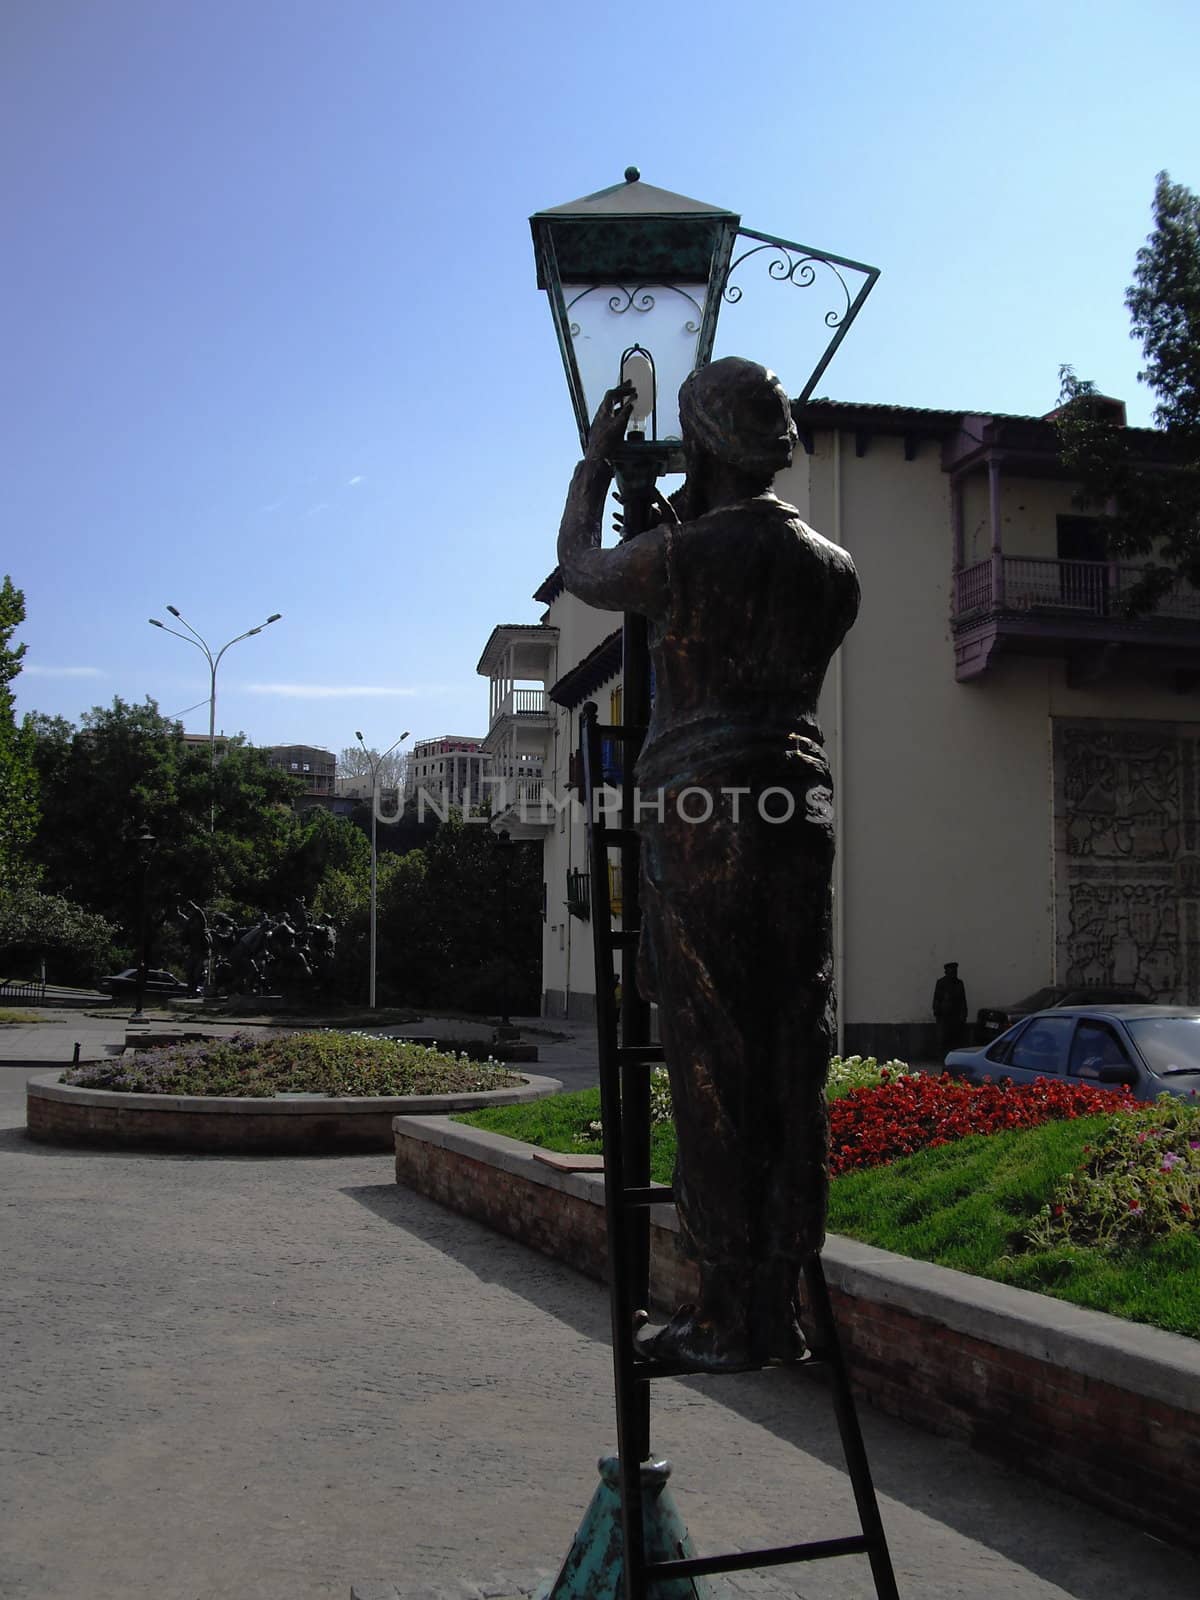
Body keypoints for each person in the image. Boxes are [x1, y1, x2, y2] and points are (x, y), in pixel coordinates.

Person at [557, 357, 860, 1370]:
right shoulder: (833, 568)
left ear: (704, 443)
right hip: (801, 805)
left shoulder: (680, 562)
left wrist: (596, 468)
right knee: (791, 1047)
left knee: (710, 1057)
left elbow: (580, 565)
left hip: (700, 812)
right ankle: (786, 1303)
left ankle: (729, 1315)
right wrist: (674, 506)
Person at [932, 962, 969, 1055]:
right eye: (951, 971)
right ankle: (942, 1057)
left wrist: (963, 1015)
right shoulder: (941, 983)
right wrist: (937, 1012)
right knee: (943, 1039)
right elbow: (936, 999)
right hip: (944, 1016)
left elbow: (963, 999)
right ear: (946, 972)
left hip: (956, 1016)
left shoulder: (959, 983)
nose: (954, 973)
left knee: (956, 1040)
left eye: (955, 971)